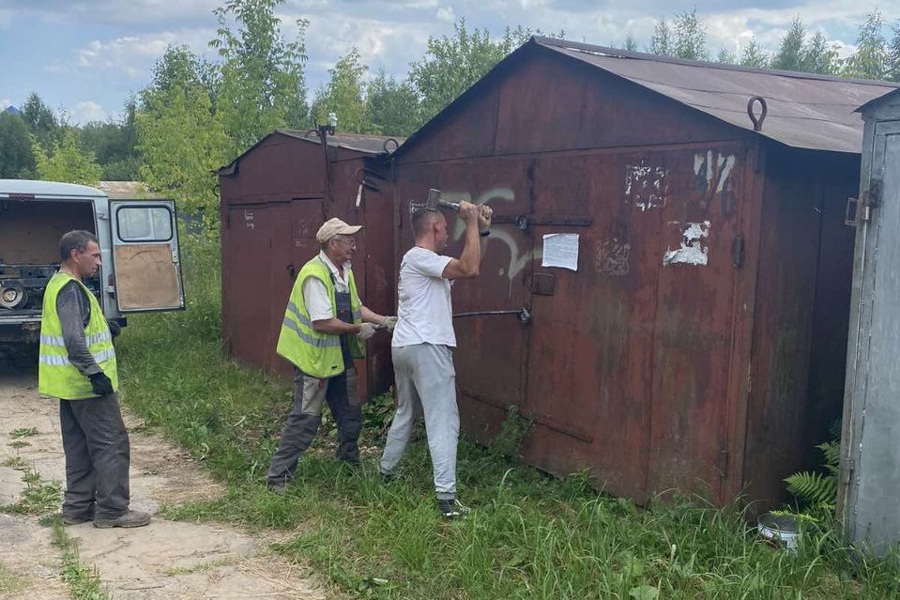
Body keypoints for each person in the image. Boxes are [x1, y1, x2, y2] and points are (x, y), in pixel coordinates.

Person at [379, 200, 493, 518]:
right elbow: (469, 267)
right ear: (435, 227)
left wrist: (482, 230)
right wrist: (470, 220)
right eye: (445, 230)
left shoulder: (425, 263)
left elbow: (472, 264)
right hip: (427, 346)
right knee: (443, 420)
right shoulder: (420, 258)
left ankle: (385, 473)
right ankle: (446, 498)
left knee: (407, 411)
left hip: (405, 346)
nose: (447, 236)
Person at [266, 217, 395, 490]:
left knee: (350, 415)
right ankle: (278, 477)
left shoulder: (342, 271)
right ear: (333, 243)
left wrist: (383, 321)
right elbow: (321, 322)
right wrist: (357, 329)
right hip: (315, 362)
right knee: (305, 420)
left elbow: (357, 306)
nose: (354, 245)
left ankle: (348, 464)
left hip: (339, 357)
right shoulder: (314, 275)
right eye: (349, 240)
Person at [38, 230, 151, 528]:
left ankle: (77, 508)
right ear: (76, 255)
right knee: (111, 444)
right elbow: (75, 341)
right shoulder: (71, 290)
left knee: (78, 448)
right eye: (95, 255)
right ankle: (113, 511)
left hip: (69, 387)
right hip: (88, 387)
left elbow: (81, 328)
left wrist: (107, 327)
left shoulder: (58, 284)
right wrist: (95, 374)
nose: (99, 262)